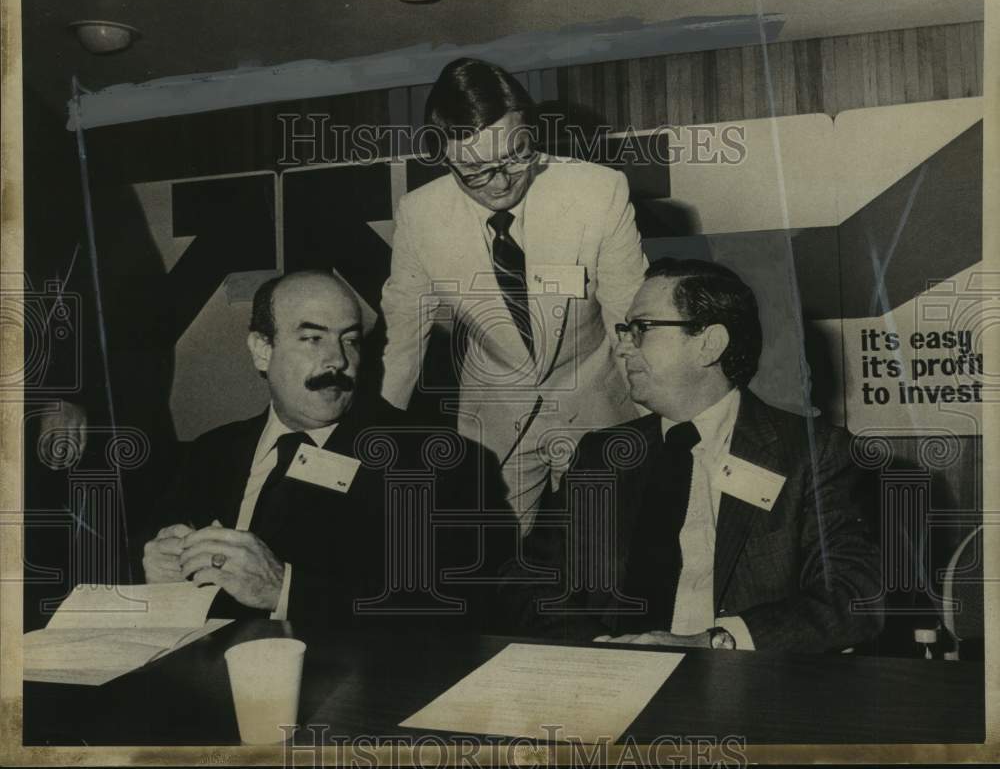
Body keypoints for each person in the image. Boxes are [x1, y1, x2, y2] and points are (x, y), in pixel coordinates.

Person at [502, 258, 883, 653]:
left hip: (743, 688)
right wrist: (603, 648)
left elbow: (853, 595)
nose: (622, 345)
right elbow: (529, 581)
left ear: (708, 344)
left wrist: (715, 642)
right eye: (625, 329)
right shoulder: (601, 456)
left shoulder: (812, 454)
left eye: (642, 328)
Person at [143, 270, 507, 629]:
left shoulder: (431, 460)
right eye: (313, 338)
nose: (338, 360)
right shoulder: (212, 452)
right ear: (262, 350)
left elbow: (457, 610)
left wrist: (283, 590)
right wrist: (161, 577)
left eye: (349, 340)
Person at [380, 58, 647, 535]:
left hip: (596, 408)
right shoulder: (420, 216)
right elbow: (403, 341)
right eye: (474, 171)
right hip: (494, 419)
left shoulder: (597, 191)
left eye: (514, 158)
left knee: (603, 560)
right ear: (444, 157)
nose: (500, 183)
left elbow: (630, 319)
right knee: (490, 568)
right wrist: (367, 434)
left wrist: (658, 422)